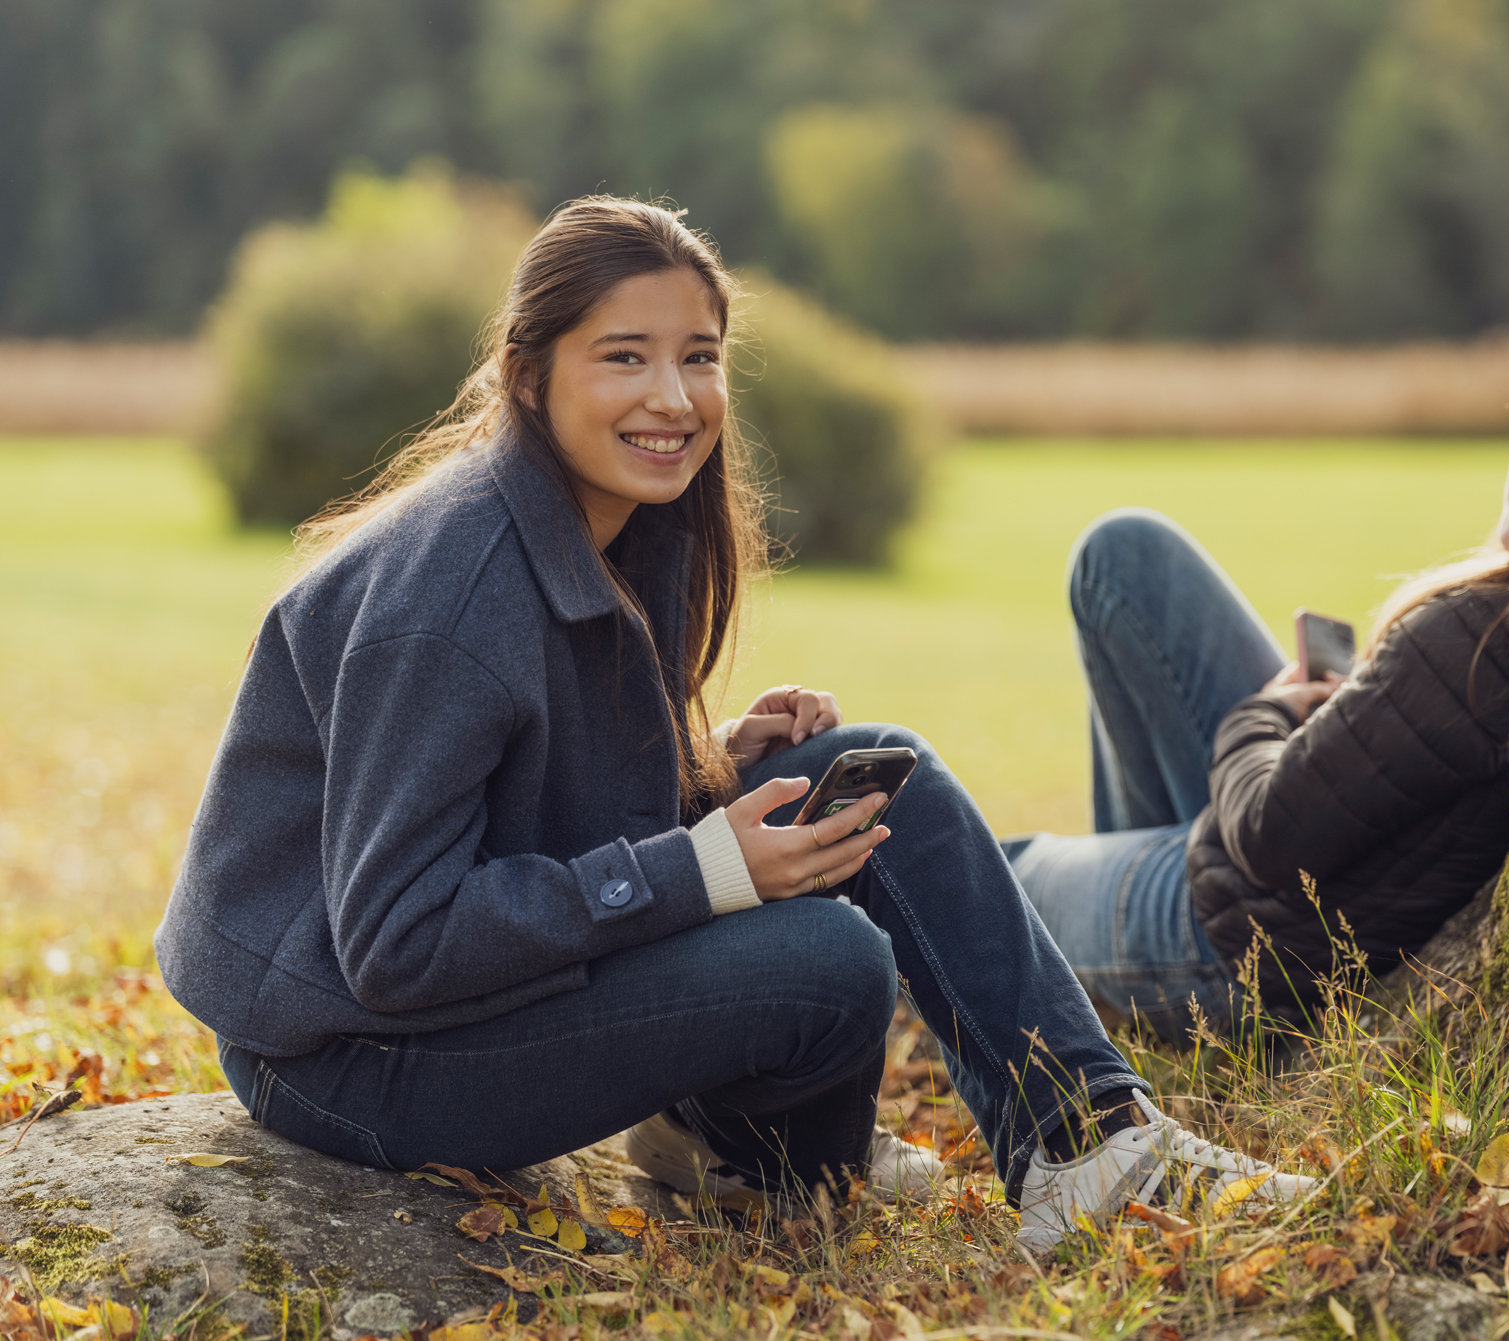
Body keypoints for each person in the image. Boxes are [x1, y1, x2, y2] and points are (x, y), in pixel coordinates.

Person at [154, 196, 1316, 1254]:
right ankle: (754, 1169)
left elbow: (526, 802)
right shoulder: (446, 599)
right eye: (625, 358)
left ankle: (1091, 1143)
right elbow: (400, 943)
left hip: (443, 999)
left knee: (875, 783)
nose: (673, 398)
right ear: (524, 373)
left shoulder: (616, 526)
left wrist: (707, 777)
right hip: (347, 1055)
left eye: (699, 358)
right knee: (829, 963)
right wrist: (708, 864)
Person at [1007, 355, 1509, 1040]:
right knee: (1123, 557)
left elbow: (1266, 834)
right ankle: (1107, 960)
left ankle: (1107, 963)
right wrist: (1351, 712)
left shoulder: (1479, 640)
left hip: (1241, 949)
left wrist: (1266, 711)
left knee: (998, 866)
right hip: (1272, 891)